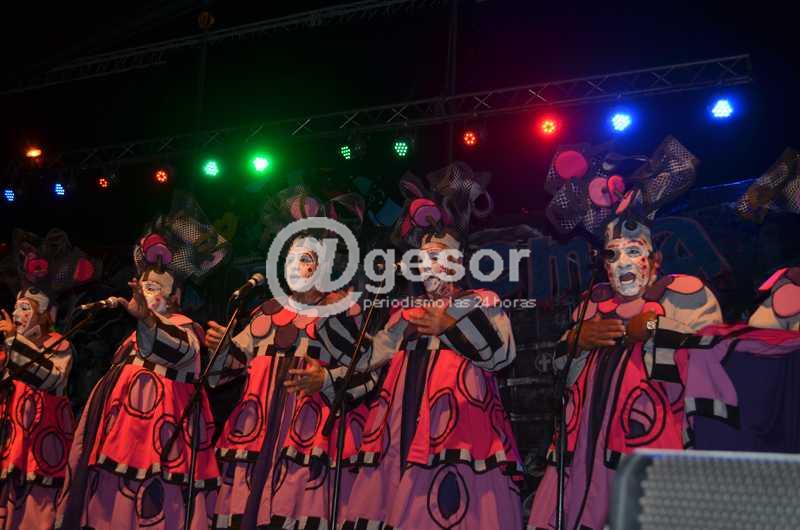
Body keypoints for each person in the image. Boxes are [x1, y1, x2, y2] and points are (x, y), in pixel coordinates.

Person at [294, 226, 525, 530]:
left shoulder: (481, 300)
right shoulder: (405, 314)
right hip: (402, 428)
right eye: (422, 258)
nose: (428, 265)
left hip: (457, 427)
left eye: (437, 256)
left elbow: (503, 355)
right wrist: (327, 353)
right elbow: (367, 360)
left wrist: (449, 325)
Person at [528, 215, 723, 530]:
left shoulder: (685, 295)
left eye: (633, 251)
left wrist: (652, 326)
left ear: (655, 260)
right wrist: (578, 341)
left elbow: (709, 359)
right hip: (587, 454)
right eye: (612, 254)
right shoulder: (592, 305)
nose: (622, 262)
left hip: (653, 447)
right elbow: (564, 376)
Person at [57, 199, 229, 530]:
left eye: (155, 288)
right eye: (143, 286)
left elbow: (173, 349)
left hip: (158, 443)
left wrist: (148, 320)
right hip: (120, 439)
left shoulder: (185, 329)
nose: (146, 294)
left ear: (176, 296)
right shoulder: (134, 336)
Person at [0, 229, 98, 530]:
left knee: (34, 506)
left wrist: (15, 342)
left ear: (46, 315)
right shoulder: (9, 347)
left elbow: (52, 378)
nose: (17, 314)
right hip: (10, 437)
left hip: (41, 440)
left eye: (25, 309)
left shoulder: (59, 344)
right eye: (15, 308)